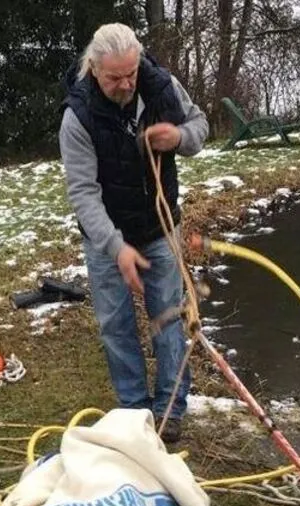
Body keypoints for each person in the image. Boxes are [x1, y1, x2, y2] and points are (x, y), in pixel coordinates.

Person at [58, 23, 209, 443]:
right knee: (115, 325)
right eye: (114, 78)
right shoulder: (77, 116)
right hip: (106, 237)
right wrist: (115, 246)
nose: (126, 84)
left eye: (131, 73)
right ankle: (134, 409)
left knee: (169, 318)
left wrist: (179, 137)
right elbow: (83, 193)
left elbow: (200, 127)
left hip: (160, 227)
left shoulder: (162, 87)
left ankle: (170, 408)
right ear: (94, 69)